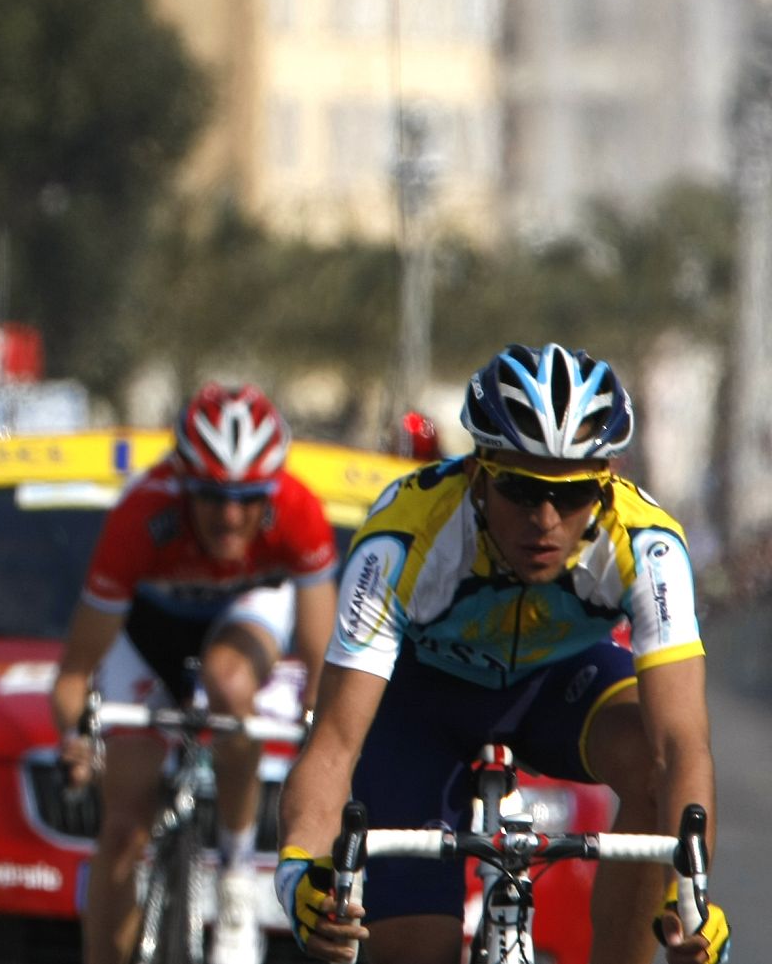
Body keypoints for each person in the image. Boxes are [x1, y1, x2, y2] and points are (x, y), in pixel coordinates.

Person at [275, 343, 730, 964]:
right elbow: (332, 744)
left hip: (557, 687)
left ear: (608, 486)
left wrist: (691, 895)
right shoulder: (404, 535)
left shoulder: (648, 544)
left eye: (571, 497)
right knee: (417, 950)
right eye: (521, 489)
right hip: (421, 706)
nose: (545, 519)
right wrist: (299, 870)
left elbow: (681, 745)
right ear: (478, 473)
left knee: (655, 773)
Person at [51, 383, 337, 964]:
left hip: (244, 618)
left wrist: (328, 739)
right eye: (211, 496)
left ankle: (233, 877)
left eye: (249, 497)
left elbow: (322, 661)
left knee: (229, 684)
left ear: (272, 490)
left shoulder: (299, 511)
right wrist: (75, 739)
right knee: (123, 830)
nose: (230, 517)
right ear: (183, 484)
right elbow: (74, 672)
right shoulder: (141, 515)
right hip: (148, 632)